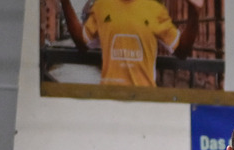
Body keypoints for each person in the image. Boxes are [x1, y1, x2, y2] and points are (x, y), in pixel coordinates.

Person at [60, 0, 198, 87]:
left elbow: (182, 51)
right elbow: (81, 42)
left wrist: (194, 12)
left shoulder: (155, 9)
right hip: (110, 101)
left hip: (144, 101)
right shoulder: (101, 6)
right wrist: (65, 2)